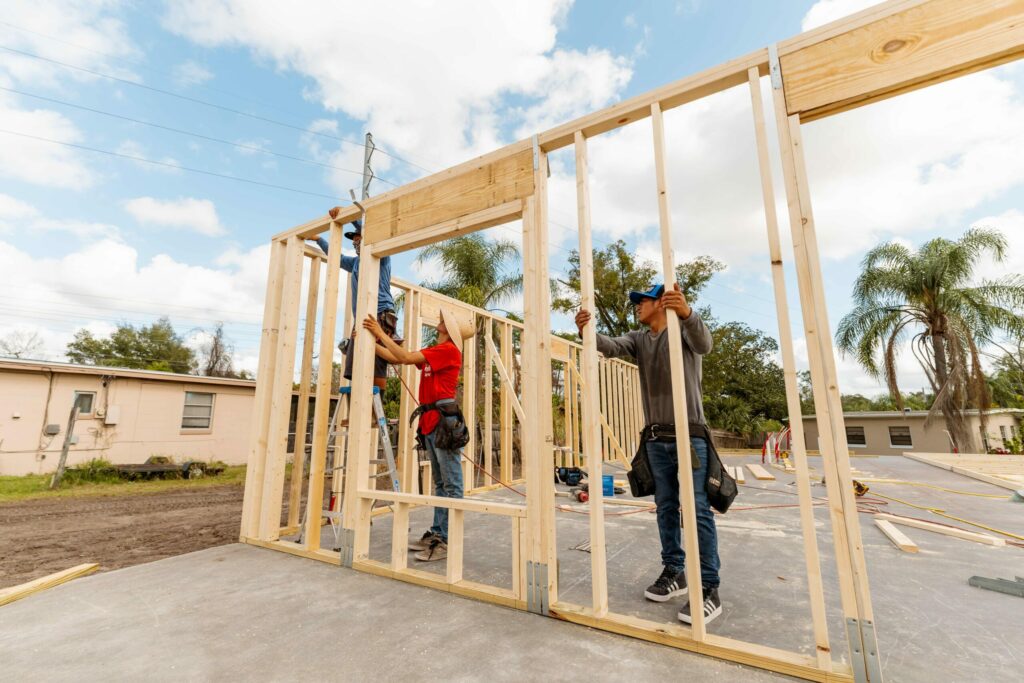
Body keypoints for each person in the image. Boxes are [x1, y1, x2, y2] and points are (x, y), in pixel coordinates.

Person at [575, 282, 722, 625]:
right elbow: (608, 346)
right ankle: (675, 571)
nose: (637, 306)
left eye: (643, 300)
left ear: (661, 303)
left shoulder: (684, 331)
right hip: (656, 439)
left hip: (690, 435)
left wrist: (686, 312)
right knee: (666, 507)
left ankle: (709, 588)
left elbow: (705, 344)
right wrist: (587, 328)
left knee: (698, 510)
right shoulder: (639, 339)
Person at [362, 306, 475, 562]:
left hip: (444, 423)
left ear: (450, 330)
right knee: (440, 483)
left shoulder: (448, 350)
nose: (440, 321)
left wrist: (379, 331)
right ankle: (438, 533)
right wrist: (370, 344)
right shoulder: (435, 352)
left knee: (452, 484)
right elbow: (397, 357)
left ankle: (448, 540)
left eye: (444, 320)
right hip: (431, 421)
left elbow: (402, 357)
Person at [313, 207, 397, 393]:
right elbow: (337, 257)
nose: (356, 243)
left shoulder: (381, 256)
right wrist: (319, 240)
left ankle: (375, 412)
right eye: (354, 242)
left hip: (380, 314)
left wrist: (349, 215)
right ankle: (357, 409)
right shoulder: (355, 263)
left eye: (359, 239)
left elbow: (370, 232)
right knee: (356, 362)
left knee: (376, 361)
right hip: (362, 316)